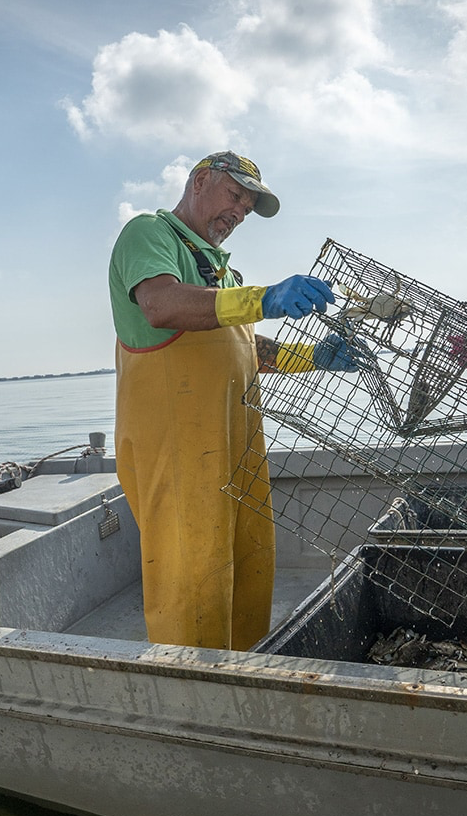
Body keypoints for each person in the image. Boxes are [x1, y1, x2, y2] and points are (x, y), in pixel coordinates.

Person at [108, 151, 359, 650]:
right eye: (235, 196)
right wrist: (265, 299)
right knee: (189, 570)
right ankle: (192, 691)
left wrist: (315, 357)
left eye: (247, 207)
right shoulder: (149, 235)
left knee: (247, 560)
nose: (239, 212)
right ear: (200, 181)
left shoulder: (225, 274)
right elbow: (162, 305)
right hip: (178, 451)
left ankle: (243, 672)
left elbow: (246, 347)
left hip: (235, 447)